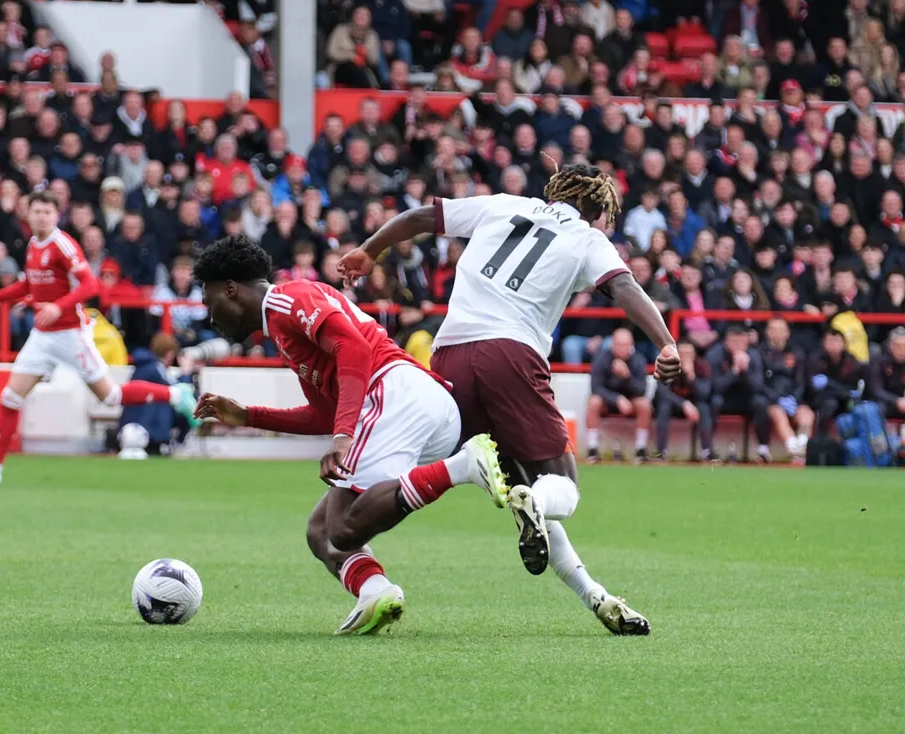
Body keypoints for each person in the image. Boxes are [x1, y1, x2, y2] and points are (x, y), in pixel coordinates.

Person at [339, 163, 682, 636]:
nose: (609, 227)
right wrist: (667, 343)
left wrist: (368, 250)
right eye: (609, 217)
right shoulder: (587, 236)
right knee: (560, 488)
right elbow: (623, 287)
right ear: (596, 209)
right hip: (512, 357)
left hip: (450, 357)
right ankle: (532, 502)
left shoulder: (502, 205)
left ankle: (596, 597)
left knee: (522, 489)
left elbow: (421, 217)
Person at [190, 235, 508, 636]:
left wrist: (344, 436)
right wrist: (249, 415)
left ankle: (462, 468)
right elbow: (325, 410)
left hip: (394, 392)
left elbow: (353, 348)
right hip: (414, 404)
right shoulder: (284, 333)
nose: (210, 315)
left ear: (231, 289)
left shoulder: (289, 299)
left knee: (341, 527)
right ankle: (376, 591)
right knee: (320, 531)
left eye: (209, 301)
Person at [0, 192, 199, 486]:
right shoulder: (33, 245)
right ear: (28, 214)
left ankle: (176, 394)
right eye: (37, 211)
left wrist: (58, 306)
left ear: (56, 216)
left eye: (48, 211)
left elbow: (90, 284)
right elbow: (28, 284)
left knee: (110, 396)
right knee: (10, 397)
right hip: (42, 337)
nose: (42, 216)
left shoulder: (63, 245)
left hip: (71, 334)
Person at [585, 328, 651, 463]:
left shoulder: (638, 359)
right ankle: (592, 449)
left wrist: (627, 376)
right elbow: (595, 387)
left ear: (631, 345)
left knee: (644, 404)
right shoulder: (601, 358)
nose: (622, 348)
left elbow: (642, 390)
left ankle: (641, 449)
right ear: (612, 344)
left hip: (631, 401)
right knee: (593, 402)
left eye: (626, 345)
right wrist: (617, 399)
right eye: (619, 345)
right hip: (607, 401)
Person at [706, 326, 771, 463]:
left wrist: (746, 370)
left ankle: (763, 449)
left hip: (746, 398)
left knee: (761, 402)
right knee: (713, 402)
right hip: (724, 398)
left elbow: (758, 387)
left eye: (742, 342)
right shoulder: (714, 354)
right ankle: (707, 448)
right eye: (734, 342)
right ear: (726, 342)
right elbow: (715, 387)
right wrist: (734, 371)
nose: (738, 346)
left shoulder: (754, 355)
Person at [759, 318, 813, 462]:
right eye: (774, 329)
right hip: (772, 400)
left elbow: (801, 380)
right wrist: (777, 399)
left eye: (781, 329)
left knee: (807, 414)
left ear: (787, 333)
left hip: (794, 399)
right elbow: (760, 383)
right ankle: (793, 449)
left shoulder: (796, 352)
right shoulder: (761, 353)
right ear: (767, 332)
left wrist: (794, 398)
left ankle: (802, 446)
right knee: (778, 414)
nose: (777, 333)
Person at [654, 341, 713, 462]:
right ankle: (661, 452)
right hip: (675, 404)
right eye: (682, 353)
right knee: (664, 407)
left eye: (689, 353)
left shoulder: (702, 366)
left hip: (695, 403)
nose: (686, 357)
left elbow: (705, 393)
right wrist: (683, 404)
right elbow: (663, 392)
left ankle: (707, 451)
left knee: (704, 408)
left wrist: (691, 376)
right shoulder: (666, 364)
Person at [807, 327, 865, 432]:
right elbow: (812, 388)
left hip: (846, 398)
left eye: (836, 341)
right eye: (829, 341)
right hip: (824, 399)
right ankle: (821, 436)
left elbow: (853, 388)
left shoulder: (852, 362)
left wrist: (830, 384)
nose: (833, 345)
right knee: (830, 404)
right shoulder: (816, 359)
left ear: (844, 344)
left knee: (856, 404)